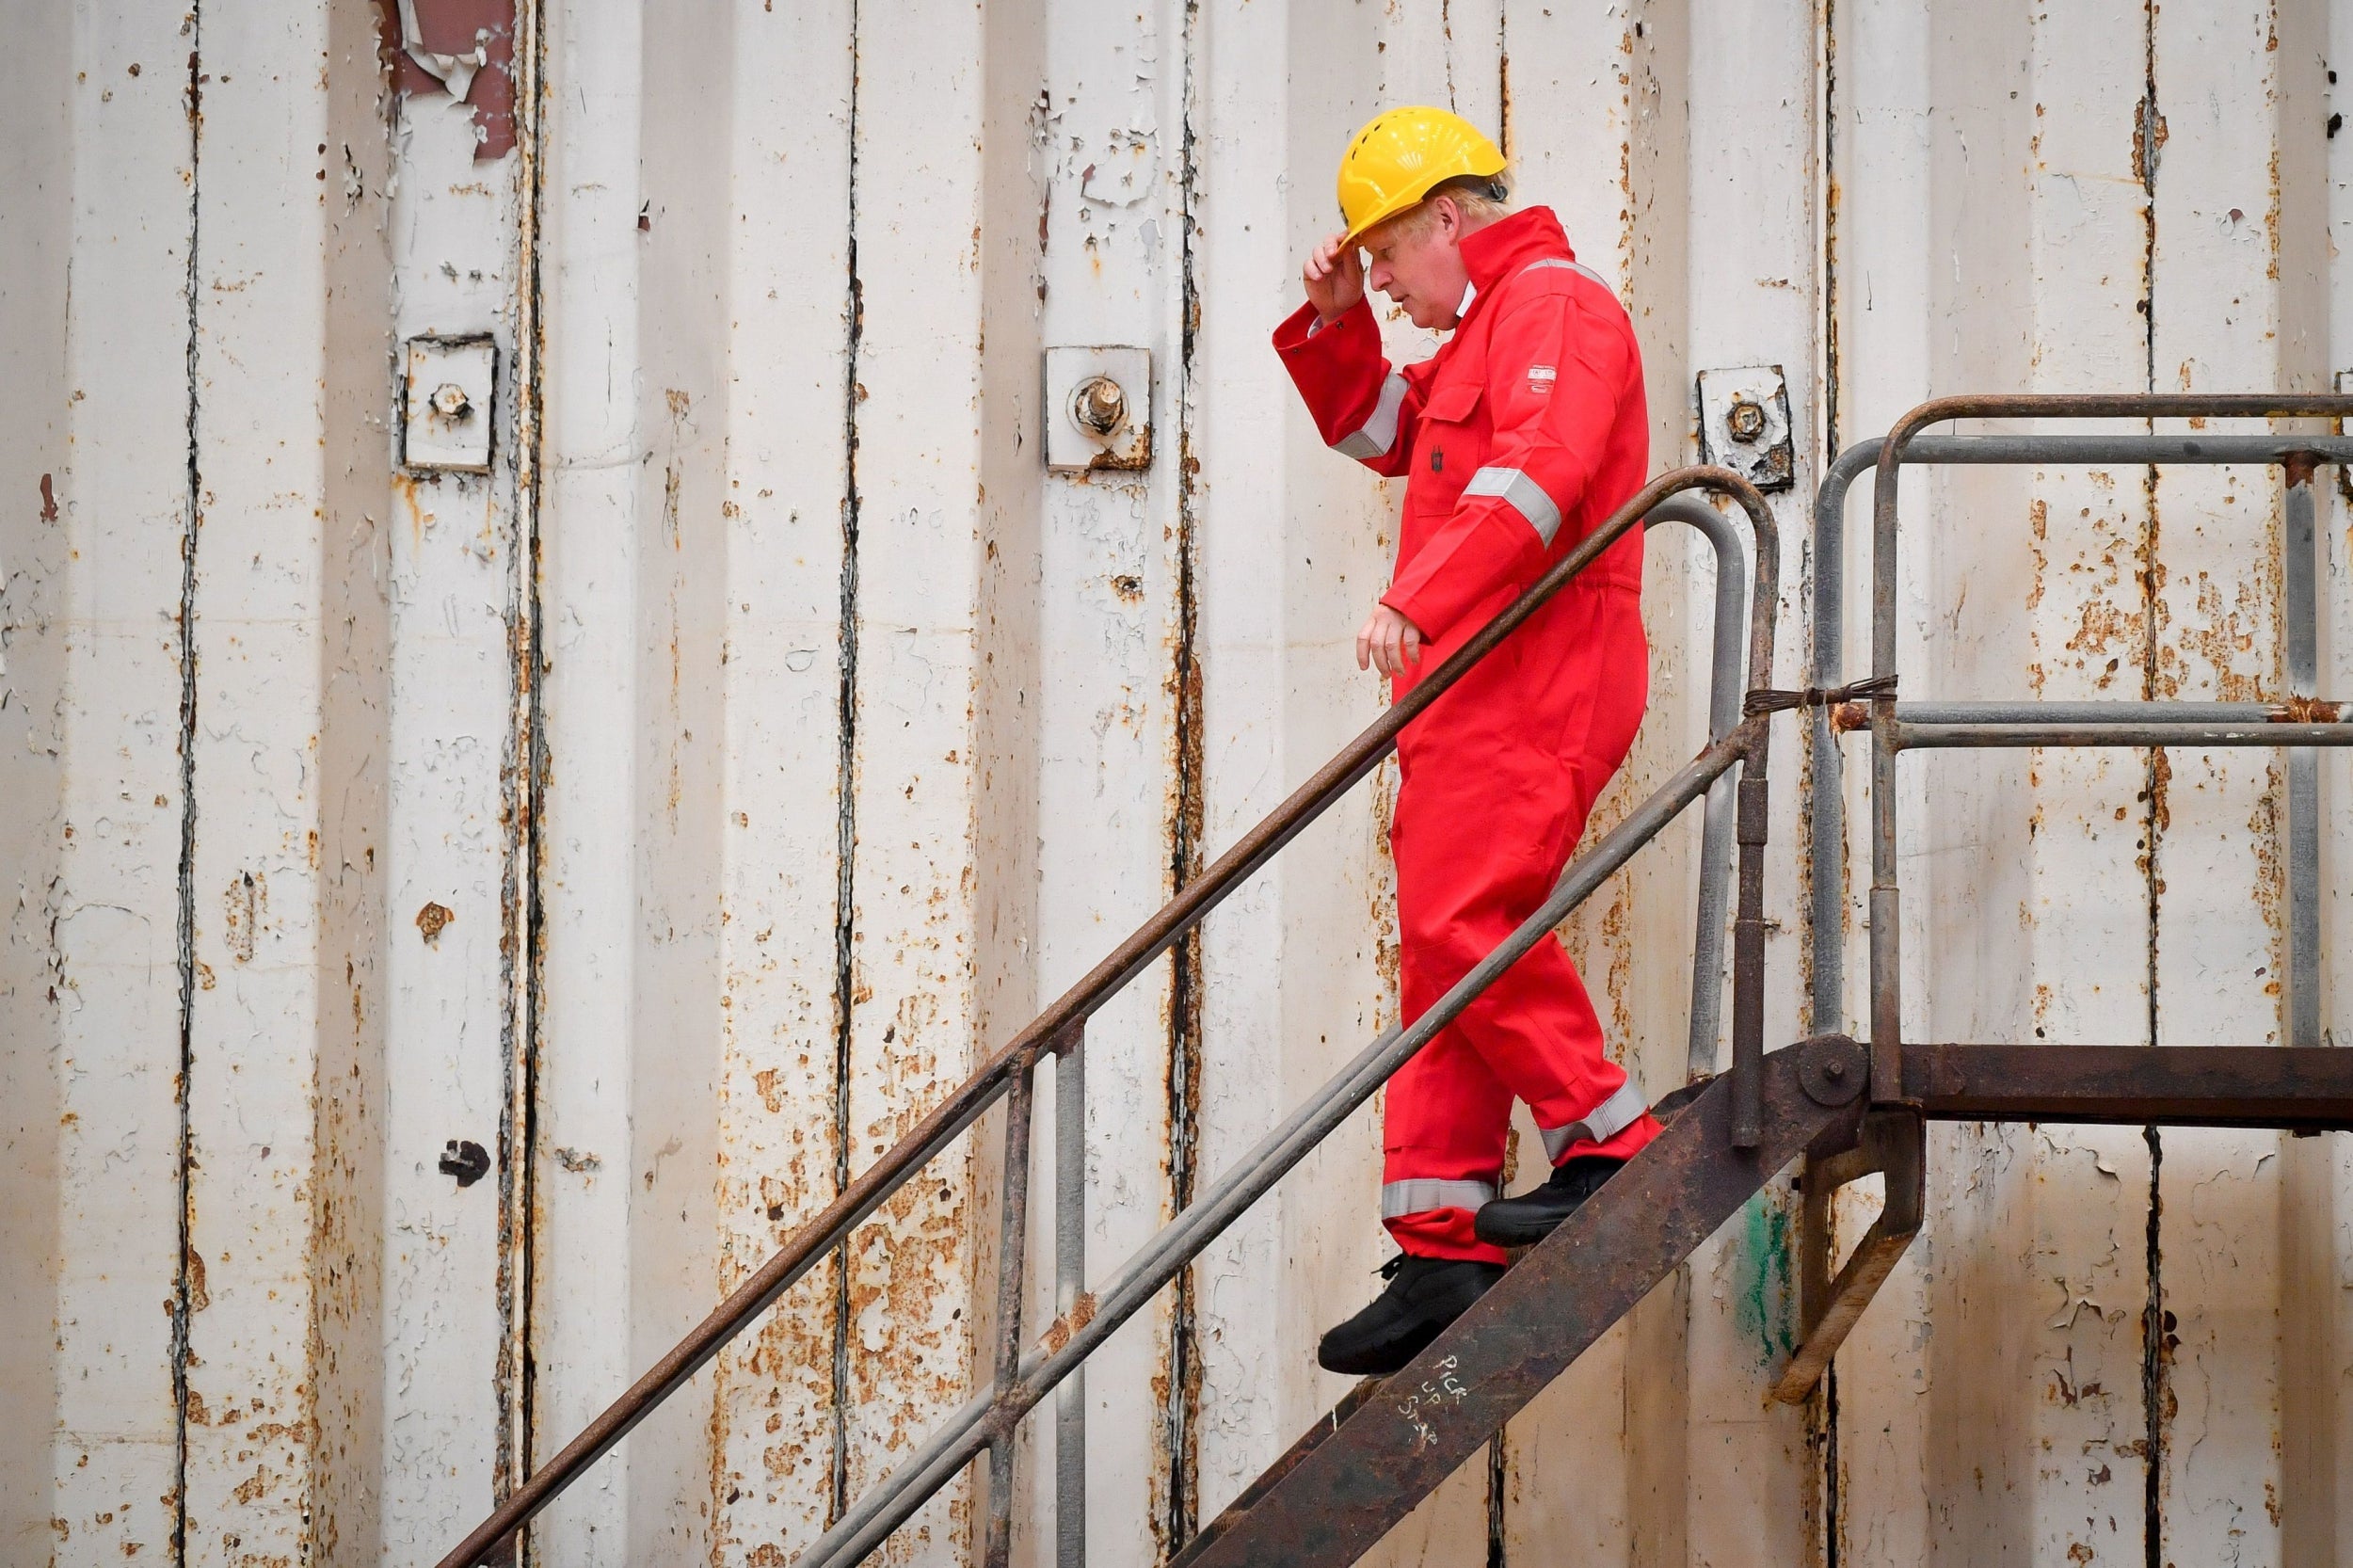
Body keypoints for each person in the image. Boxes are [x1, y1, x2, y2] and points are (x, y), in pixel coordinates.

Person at [1273, 106, 1661, 1376]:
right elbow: (1388, 433)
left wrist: (1416, 598)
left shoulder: (1556, 307)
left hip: (1534, 672)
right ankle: (1443, 1240)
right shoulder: (1486, 329)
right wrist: (1338, 322)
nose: (1382, 281)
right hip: (1474, 689)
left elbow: (1539, 477)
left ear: (1448, 216)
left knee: (1462, 928)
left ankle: (1606, 1148)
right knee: (1441, 955)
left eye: (1385, 258)